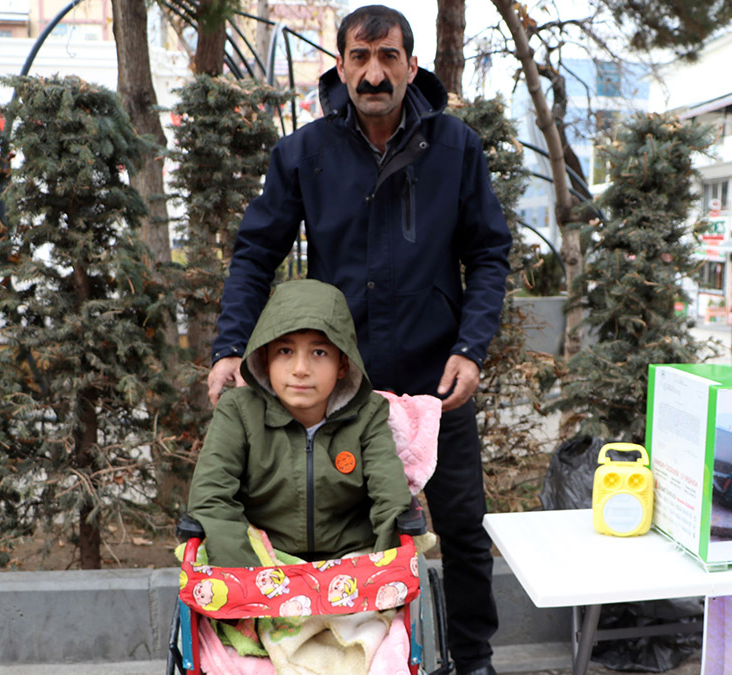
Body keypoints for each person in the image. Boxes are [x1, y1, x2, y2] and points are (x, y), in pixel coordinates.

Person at [205, 6, 511, 674]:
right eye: (361, 57)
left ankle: (476, 657)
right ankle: (340, 657)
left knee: (459, 523)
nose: (375, 73)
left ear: (412, 64)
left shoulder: (456, 148)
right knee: (336, 533)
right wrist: (231, 348)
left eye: (389, 57)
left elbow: (489, 253)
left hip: (438, 381)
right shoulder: (303, 154)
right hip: (340, 389)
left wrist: (471, 347)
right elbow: (255, 256)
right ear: (340, 65)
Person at [189, 279, 411, 567]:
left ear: (343, 364)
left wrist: (385, 573)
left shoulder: (368, 415)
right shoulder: (239, 412)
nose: (300, 370)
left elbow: (390, 499)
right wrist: (249, 578)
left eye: (319, 353)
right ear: (264, 356)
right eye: (285, 351)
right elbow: (211, 497)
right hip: (263, 559)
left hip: (350, 564)